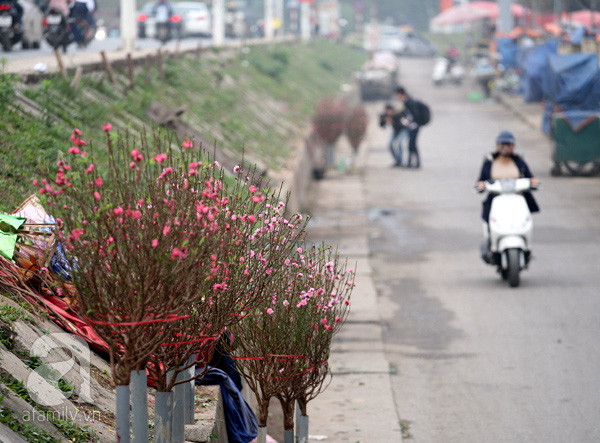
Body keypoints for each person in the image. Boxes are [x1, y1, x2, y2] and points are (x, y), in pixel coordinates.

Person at [476, 130, 540, 260]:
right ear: (497, 145)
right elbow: (480, 181)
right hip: (497, 198)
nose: (505, 148)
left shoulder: (518, 161)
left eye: (509, 144)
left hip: (517, 197)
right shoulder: (489, 162)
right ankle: (491, 244)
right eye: (502, 144)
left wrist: (533, 181)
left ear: (513, 146)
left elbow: (530, 176)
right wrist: (481, 185)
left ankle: (526, 246)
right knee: (489, 217)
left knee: (524, 218)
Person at [394, 86, 422, 168]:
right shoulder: (406, 101)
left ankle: (416, 163)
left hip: (414, 126)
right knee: (411, 144)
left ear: (400, 94)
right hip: (412, 126)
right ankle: (411, 162)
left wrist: (408, 122)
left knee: (412, 144)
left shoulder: (408, 102)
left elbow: (414, 114)